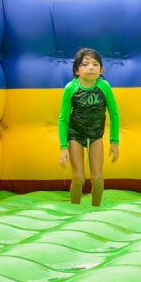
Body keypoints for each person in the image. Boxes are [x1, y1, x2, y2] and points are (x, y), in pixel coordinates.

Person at [58, 47, 120, 206]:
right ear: (77, 70)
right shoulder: (70, 88)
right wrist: (63, 147)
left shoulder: (104, 87)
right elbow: (63, 119)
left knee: (97, 177)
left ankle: (95, 209)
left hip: (95, 136)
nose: (91, 67)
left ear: (101, 69)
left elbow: (114, 114)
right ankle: (74, 208)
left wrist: (114, 142)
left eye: (95, 64)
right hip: (75, 135)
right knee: (78, 177)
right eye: (85, 64)